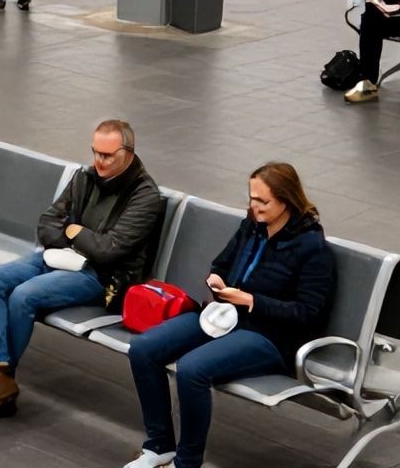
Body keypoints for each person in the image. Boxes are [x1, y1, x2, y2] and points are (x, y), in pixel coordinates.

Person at [123, 163, 335, 468]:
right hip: (225, 315)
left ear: (286, 201)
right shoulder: (252, 225)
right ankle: (159, 445)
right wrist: (217, 280)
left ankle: (187, 462)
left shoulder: (312, 248)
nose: (254, 206)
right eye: (251, 198)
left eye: (262, 201)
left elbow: (309, 313)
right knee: (143, 349)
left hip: (270, 336)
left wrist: (252, 301)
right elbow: (222, 263)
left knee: (192, 369)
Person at [0, 119, 164, 423]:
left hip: (102, 277)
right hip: (61, 257)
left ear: (127, 153)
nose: (99, 161)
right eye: (95, 152)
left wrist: (73, 230)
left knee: (24, 296)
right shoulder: (85, 177)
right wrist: (75, 237)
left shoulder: (145, 196)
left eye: (107, 155)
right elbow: (47, 223)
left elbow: (108, 251)